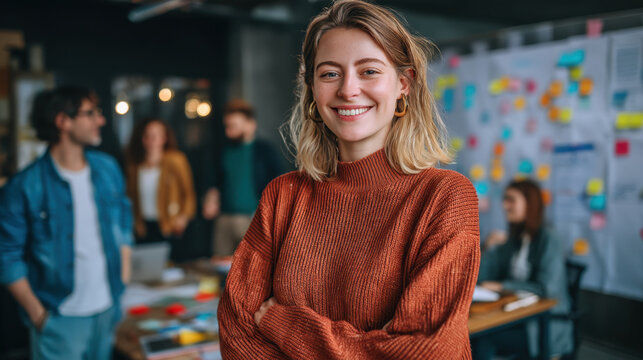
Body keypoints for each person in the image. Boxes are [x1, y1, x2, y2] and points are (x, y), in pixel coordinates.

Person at [217, 1, 481, 358]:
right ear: (311, 88)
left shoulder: (444, 196)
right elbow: (236, 332)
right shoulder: (283, 196)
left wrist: (285, 324)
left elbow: (427, 352)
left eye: (369, 71)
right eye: (329, 74)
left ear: (404, 83)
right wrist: (372, 344)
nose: (348, 90)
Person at [0, 86, 133, 360]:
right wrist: (39, 316)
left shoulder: (107, 169)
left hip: (107, 309)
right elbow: (6, 255)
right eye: (91, 113)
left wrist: (123, 277)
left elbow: (123, 219)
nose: (101, 120)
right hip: (59, 317)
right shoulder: (25, 186)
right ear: (63, 121)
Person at [477, 179, 573, 359]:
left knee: (483, 338)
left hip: (542, 324)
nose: (505, 205)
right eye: (505, 199)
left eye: (511, 199)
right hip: (516, 315)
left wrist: (502, 285)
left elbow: (547, 289)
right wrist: (487, 247)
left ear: (530, 204)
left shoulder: (549, 239)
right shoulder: (514, 239)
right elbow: (483, 278)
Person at [202, 99, 284, 256]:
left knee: (252, 266)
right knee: (220, 267)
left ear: (250, 124)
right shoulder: (223, 150)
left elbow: (279, 185)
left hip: (252, 220)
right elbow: (215, 181)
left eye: (233, 126)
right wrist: (211, 196)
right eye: (227, 126)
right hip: (224, 219)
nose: (228, 131)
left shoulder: (265, 151)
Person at [125, 117, 196, 252]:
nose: (151, 140)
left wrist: (183, 217)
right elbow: (131, 197)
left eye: (156, 136)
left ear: (164, 138)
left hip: (169, 225)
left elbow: (188, 192)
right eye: (147, 136)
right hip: (144, 226)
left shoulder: (176, 160)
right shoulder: (135, 167)